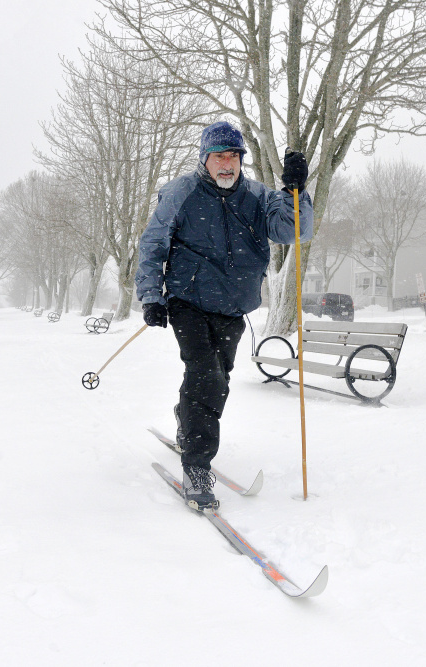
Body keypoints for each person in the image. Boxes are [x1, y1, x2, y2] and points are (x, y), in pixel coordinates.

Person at [134, 120, 313, 510]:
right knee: (206, 376)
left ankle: (186, 418)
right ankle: (197, 467)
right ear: (205, 159)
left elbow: (293, 231)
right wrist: (151, 296)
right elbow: (152, 244)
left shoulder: (257, 197)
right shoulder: (182, 193)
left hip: (233, 304)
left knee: (217, 377)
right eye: (219, 156)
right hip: (188, 300)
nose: (227, 164)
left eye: (233, 156)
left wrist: (294, 191)